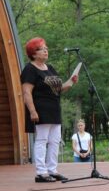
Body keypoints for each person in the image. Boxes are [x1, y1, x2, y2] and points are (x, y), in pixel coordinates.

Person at [21, 37, 77, 182]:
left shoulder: (50, 68)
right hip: (41, 110)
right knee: (42, 139)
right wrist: (32, 111)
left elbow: (58, 89)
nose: (46, 50)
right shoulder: (30, 69)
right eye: (42, 48)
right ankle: (41, 172)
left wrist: (70, 82)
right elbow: (26, 92)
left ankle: (52, 170)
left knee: (55, 140)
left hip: (54, 110)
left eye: (46, 48)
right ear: (33, 53)